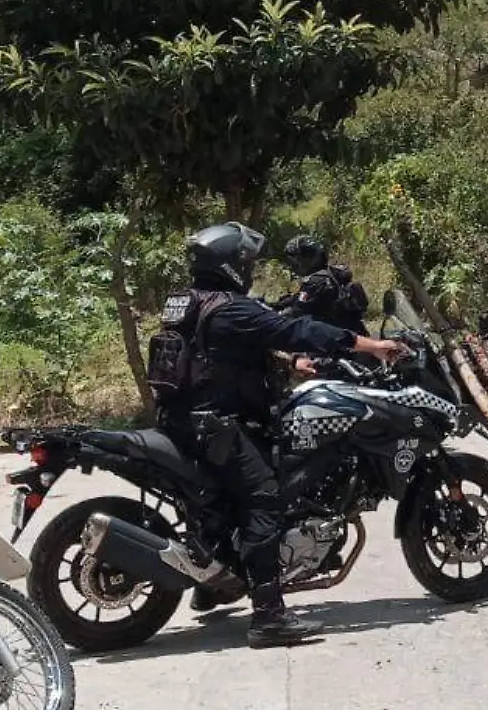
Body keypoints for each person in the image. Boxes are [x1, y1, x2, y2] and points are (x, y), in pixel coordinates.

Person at [160, 222, 404, 647]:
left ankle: (214, 582)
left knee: (223, 501)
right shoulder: (233, 307)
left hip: (181, 419)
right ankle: (269, 617)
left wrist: (291, 365)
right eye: (245, 261)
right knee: (264, 500)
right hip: (216, 424)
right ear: (230, 265)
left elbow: (218, 351)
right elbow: (299, 330)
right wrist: (371, 346)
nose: (249, 268)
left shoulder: (185, 302)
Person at [277, 234, 371, 335]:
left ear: (308, 259)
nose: (294, 265)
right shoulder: (333, 274)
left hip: (335, 342)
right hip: (353, 334)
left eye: (297, 260)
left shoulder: (316, 281)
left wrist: (274, 316)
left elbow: (296, 312)